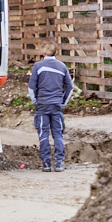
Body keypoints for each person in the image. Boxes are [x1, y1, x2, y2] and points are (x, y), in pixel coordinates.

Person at [28, 41, 74, 172]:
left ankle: (46, 164)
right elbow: (69, 87)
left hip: (42, 105)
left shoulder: (38, 66)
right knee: (58, 134)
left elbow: (31, 87)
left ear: (43, 53)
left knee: (43, 134)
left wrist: (35, 101)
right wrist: (63, 102)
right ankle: (59, 163)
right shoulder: (62, 66)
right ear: (55, 52)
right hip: (56, 105)